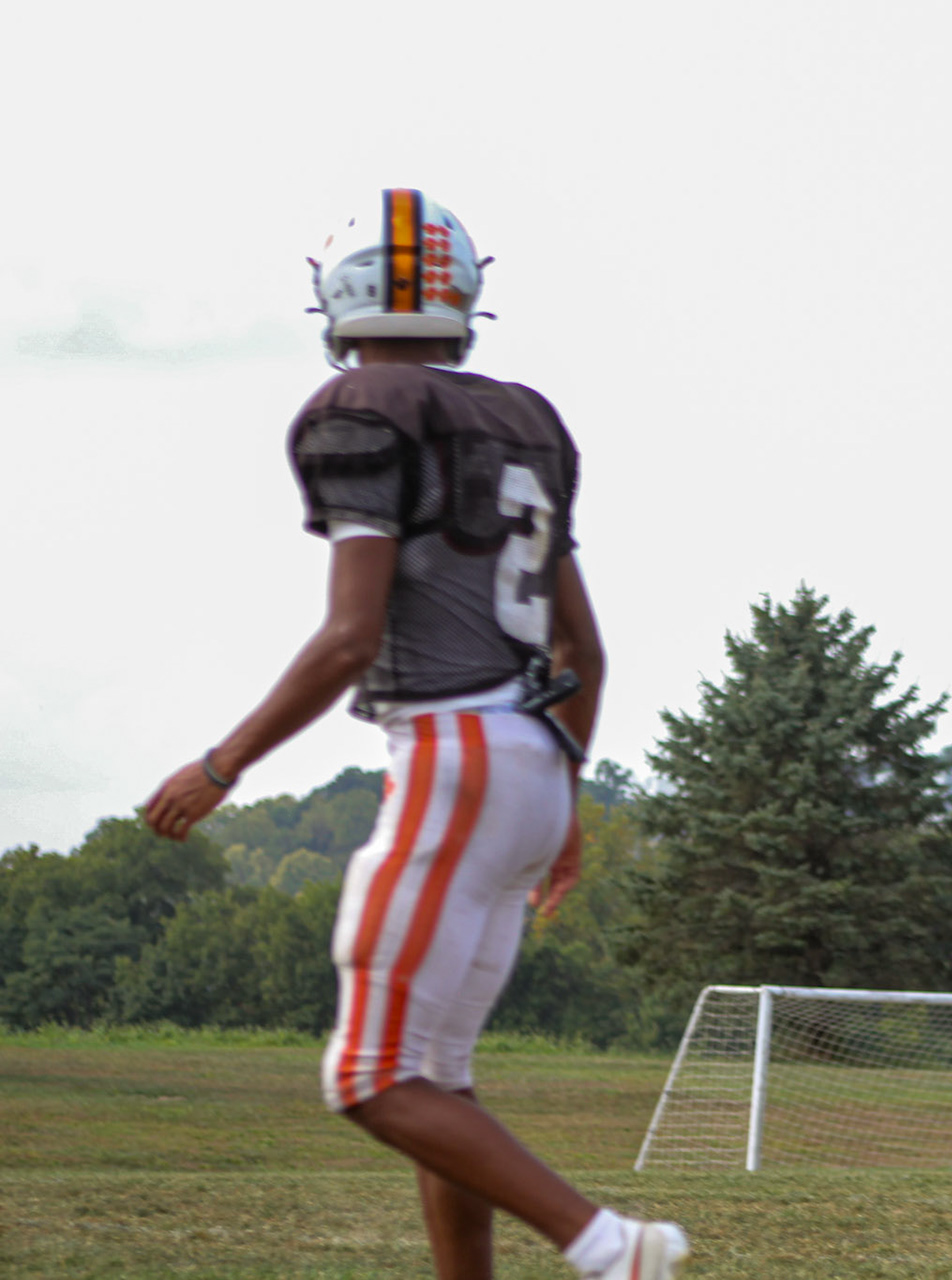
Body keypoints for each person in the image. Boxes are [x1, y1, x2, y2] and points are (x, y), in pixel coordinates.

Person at [142, 189, 688, 1280]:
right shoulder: (527, 417)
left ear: (340, 298)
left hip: (451, 750)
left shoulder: (361, 405)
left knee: (370, 1077)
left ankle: (608, 1245)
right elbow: (584, 647)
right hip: (535, 759)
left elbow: (351, 636)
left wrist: (221, 764)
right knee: (437, 1076)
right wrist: (566, 805)